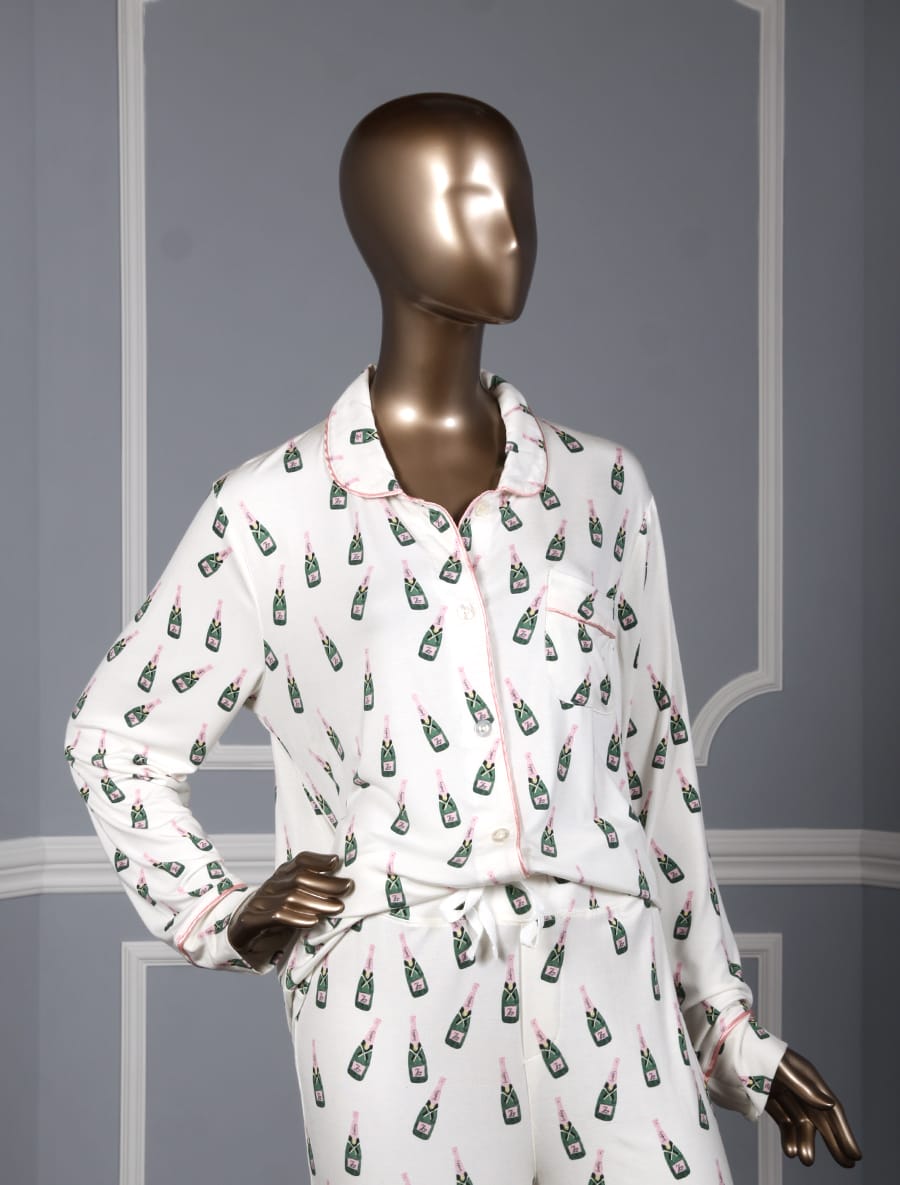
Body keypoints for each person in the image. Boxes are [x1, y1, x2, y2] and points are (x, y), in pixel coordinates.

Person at [63, 93, 861, 1182]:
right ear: (386, 229)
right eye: (468, 198)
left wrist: (732, 1039)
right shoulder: (270, 511)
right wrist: (219, 914)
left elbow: (657, 779)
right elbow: (117, 739)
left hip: (613, 991)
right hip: (393, 1009)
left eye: (517, 194)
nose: (511, 227)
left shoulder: (602, 491)